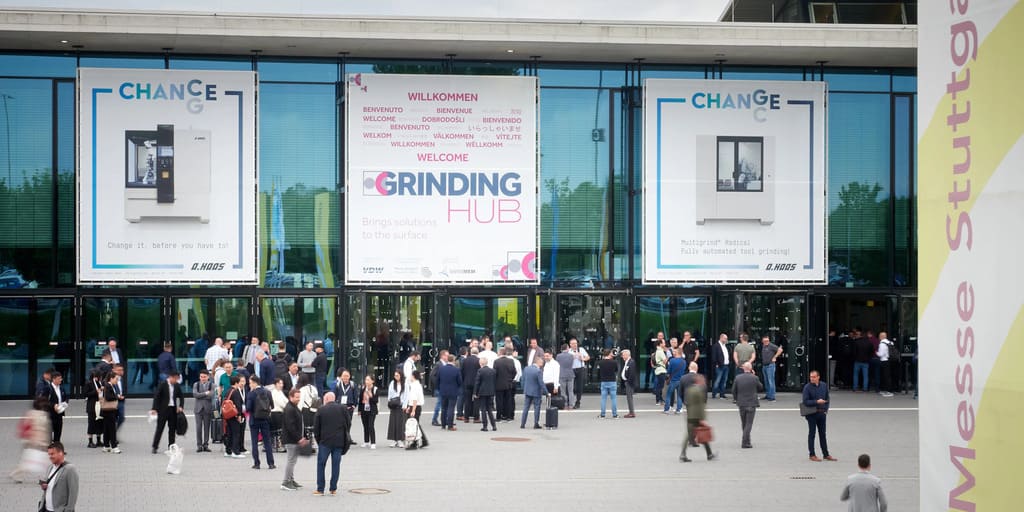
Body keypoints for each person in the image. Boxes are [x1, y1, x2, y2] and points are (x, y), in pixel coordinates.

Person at [313, 391, 351, 496]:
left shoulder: (321, 409)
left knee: (321, 464)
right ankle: (333, 488)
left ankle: (320, 489)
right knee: (336, 465)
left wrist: (319, 440)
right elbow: (348, 423)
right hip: (339, 441)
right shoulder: (343, 408)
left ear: (325, 399)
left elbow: (316, 428)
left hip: (325, 442)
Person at [10, 396, 51, 483]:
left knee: (28, 460)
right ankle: (44, 478)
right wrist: (46, 442)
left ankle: (16, 474)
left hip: (29, 440)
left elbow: (24, 426)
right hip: (36, 441)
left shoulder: (30, 413)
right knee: (40, 461)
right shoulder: (43, 415)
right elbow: (43, 430)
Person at [680, 374, 716, 462]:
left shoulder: (689, 389)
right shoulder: (699, 390)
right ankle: (709, 454)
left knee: (691, 435)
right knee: (701, 433)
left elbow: (686, 401)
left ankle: (684, 454)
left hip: (690, 415)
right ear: (699, 381)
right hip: (697, 416)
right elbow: (701, 405)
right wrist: (702, 418)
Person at [803, 370, 837, 462]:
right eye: (811, 377)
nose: (812, 379)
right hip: (811, 414)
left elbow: (827, 398)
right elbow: (805, 401)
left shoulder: (824, 385)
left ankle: (826, 454)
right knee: (812, 434)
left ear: (818, 377)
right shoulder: (807, 387)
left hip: (822, 413)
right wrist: (817, 401)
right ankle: (812, 454)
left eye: (814, 377)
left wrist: (826, 410)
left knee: (823, 434)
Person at [150, 370, 184, 454]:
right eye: (175, 378)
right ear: (171, 377)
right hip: (163, 410)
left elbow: (181, 396)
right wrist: (154, 408)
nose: (176, 380)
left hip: (173, 410)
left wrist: (181, 406)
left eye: (177, 379)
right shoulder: (163, 384)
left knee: (172, 429)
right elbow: (157, 396)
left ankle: (171, 446)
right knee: (160, 429)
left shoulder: (176, 385)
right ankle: (155, 446)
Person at [246, 376, 276, 470]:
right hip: (265, 419)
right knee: (267, 441)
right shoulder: (268, 392)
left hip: (254, 419)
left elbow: (248, 408)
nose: (250, 385)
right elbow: (272, 406)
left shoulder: (251, 394)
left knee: (254, 442)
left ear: (255, 383)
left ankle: (257, 463)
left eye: (250, 383)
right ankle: (271, 463)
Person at [38, 442, 78, 512]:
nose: (50, 456)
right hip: (46, 509)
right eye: (49, 454)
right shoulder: (50, 467)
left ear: (61, 453)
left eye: (52, 454)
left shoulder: (70, 469)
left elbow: (73, 493)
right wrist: (44, 486)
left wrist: (68, 510)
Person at [280, 388, 306, 491]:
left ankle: (291, 480)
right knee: (291, 461)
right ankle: (286, 482)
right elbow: (290, 426)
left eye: (299, 397)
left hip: (293, 438)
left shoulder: (293, 407)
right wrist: (299, 438)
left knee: (292, 461)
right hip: (291, 439)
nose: (298, 399)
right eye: (296, 397)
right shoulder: (290, 409)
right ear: (290, 397)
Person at [731, 362, 763, 449]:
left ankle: (747, 440)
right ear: (751, 368)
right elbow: (760, 387)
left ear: (743, 368)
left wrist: (736, 399)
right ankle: (745, 442)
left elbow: (733, 390)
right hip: (752, 403)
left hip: (741, 403)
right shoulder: (755, 378)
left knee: (744, 423)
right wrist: (755, 376)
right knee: (749, 424)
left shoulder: (738, 378)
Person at [520, 356, 549, 429]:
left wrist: (524, 388)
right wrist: (546, 392)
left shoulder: (526, 369)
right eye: (541, 362)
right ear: (538, 362)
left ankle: (522, 424)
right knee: (537, 408)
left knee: (526, 407)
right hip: (536, 392)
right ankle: (536, 423)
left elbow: (523, 379)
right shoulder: (538, 371)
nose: (542, 364)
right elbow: (541, 383)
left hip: (527, 391)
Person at [223, 375, 247, 459]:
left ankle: (228, 450)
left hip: (227, 415)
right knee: (236, 433)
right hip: (234, 415)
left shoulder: (228, 391)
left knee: (229, 433)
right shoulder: (236, 391)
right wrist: (239, 415)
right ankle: (236, 451)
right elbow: (238, 405)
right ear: (236, 383)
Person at [438, 353, 462, 431]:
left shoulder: (441, 369)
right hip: (453, 391)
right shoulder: (456, 370)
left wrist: (439, 388)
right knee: (451, 408)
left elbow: (438, 379)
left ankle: (443, 424)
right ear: (454, 360)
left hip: (443, 391)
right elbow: (460, 381)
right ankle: (450, 425)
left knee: (443, 408)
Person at [404, 370, 428, 449]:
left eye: (411, 375)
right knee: (416, 424)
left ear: (413, 376)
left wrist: (413, 410)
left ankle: (414, 442)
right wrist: (409, 406)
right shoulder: (417, 384)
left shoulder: (415, 386)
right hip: (415, 406)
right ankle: (423, 440)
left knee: (413, 425)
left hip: (415, 406)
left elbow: (414, 399)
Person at [474, 356, 498, 432]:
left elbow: (477, 383)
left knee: (483, 409)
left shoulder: (480, 371)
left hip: (482, 392)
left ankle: (485, 426)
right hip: (490, 392)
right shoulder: (493, 371)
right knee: (489, 409)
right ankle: (494, 425)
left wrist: (475, 393)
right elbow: (494, 381)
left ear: (480, 363)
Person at [193, 369, 215, 453]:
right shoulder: (196, 384)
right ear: (199, 377)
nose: (203, 378)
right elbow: (195, 395)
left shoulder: (212, 385)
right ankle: (199, 445)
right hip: (198, 409)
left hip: (207, 409)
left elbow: (211, 395)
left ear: (208, 377)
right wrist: (206, 393)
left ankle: (205, 445)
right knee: (198, 427)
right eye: (201, 377)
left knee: (207, 428)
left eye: (204, 377)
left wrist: (201, 395)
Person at [494, 347, 517, 422]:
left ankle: (499, 416)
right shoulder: (511, 361)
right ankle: (508, 416)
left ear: (500, 353)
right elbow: (514, 372)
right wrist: (510, 379)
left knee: (499, 401)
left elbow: (495, 373)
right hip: (508, 384)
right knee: (508, 401)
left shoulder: (496, 362)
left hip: (499, 384)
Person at [101, 372, 121, 454]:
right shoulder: (108, 386)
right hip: (109, 411)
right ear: (111, 378)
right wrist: (117, 396)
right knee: (112, 429)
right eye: (116, 379)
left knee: (107, 429)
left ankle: (106, 446)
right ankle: (114, 447)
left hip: (107, 411)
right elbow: (108, 397)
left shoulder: (109, 386)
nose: (117, 381)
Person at [386, 371, 407, 448]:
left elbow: (406, 395)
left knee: (400, 423)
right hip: (394, 405)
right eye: (395, 375)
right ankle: (394, 440)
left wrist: (405, 405)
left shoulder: (405, 384)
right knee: (393, 423)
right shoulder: (392, 383)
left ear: (401, 375)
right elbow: (390, 394)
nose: (396, 377)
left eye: (397, 375)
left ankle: (400, 440)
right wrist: (390, 402)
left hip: (401, 405)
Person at [357, 375, 379, 449]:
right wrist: (359, 410)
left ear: (372, 381)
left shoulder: (375, 389)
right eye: (366, 380)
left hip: (372, 410)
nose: (366, 381)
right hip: (364, 409)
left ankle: (373, 442)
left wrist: (370, 396)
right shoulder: (363, 388)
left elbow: (376, 401)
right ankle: (366, 441)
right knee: (365, 426)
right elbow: (360, 400)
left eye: (368, 380)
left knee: (370, 425)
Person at [459, 348, 480, 422]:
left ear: (470, 352)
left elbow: (461, 371)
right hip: (476, 383)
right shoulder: (479, 360)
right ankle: (476, 417)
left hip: (467, 382)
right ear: (478, 352)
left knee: (467, 400)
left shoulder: (465, 360)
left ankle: (466, 417)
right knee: (476, 400)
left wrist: (463, 380)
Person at [568, 338, 590, 409]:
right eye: (573, 344)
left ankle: (578, 401)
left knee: (579, 386)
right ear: (570, 345)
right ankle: (570, 401)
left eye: (575, 343)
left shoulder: (581, 349)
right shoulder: (568, 351)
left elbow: (588, 357)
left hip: (580, 369)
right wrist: (572, 357)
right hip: (572, 369)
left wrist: (582, 358)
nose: (575, 345)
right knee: (571, 386)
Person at [663, 349, 686, 414]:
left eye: (675, 352)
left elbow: (669, 371)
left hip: (673, 380)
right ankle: (678, 409)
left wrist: (668, 375)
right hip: (680, 380)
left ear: (678, 352)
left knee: (668, 395)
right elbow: (684, 370)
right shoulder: (683, 361)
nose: (673, 353)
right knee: (679, 395)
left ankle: (666, 409)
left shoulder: (672, 360)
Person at [84, 370, 103, 449]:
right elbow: (85, 394)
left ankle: (98, 440)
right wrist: (96, 391)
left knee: (99, 423)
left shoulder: (100, 383)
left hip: (99, 405)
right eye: (100, 376)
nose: (101, 378)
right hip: (92, 406)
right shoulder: (89, 383)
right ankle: (90, 441)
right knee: (91, 423)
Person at [46, 372, 67, 443]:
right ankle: (49, 446)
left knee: (58, 431)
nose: (61, 380)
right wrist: (53, 405)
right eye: (59, 379)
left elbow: (66, 397)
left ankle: (57, 445)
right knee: (49, 432)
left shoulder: (61, 388)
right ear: (54, 379)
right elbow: (45, 401)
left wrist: (65, 403)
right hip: (51, 413)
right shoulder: (48, 388)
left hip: (59, 412)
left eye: (61, 378)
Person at [597, 349, 619, 419]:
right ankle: (615, 415)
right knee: (613, 398)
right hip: (612, 381)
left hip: (604, 381)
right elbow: (616, 370)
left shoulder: (600, 362)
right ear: (609, 354)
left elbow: (598, 372)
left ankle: (602, 415)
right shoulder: (614, 362)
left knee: (603, 399)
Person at [760, 336, 783, 401]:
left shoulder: (771, 345)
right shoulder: (763, 346)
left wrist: (775, 357)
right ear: (762, 341)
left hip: (770, 365)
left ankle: (772, 396)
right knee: (766, 381)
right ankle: (768, 395)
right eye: (764, 341)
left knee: (771, 381)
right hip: (764, 365)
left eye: (767, 341)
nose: (766, 342)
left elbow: (780, 350)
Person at [711, 333, 731, 399]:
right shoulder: (716, 346)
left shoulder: (725, 346)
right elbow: (714, 356)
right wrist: (716, 364)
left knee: (724, 380)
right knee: (718, 380)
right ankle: (714, 394)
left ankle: (722, 394)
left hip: (726, 365)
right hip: (719, 365)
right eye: (725, 338)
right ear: (721, 338)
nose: (726, 340)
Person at [555, 344, 575, 409]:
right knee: (570, 391)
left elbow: (557, 364)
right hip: (570, 374)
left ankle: (565, 404)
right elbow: (572, 363)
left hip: (562, 374)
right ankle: (571, 405)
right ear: (567, 348)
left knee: (563, 391)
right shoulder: (571, 356)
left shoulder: (558, 356)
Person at [876, 332, 895, 397]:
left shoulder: (882, 344)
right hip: (890, 360)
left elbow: (881, 354)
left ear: (881, 336)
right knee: (888, 376)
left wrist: (876, 353)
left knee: (885, 376)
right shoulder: (891, 342)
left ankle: (888, 391)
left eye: (879, 336)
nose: (879, 337)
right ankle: (888, 390)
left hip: (884, 361)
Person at [619, 349, 638, 418]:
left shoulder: (631, 362)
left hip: (629, 383)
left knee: (629, 398)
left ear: (627, 355)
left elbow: (632, 374)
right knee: (629, 397)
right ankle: (631, 412)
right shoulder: (627, 361)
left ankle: (631, 412)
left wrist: (628, 382)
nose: (622, 356)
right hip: (627, 382)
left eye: (623, 355)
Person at [652, 338, 668, 404]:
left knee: (659, 385)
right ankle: (658, 400)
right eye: (663, 343)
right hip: (661, 370)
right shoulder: (660, 351)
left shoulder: (657, 351)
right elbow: (665, 361)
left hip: (658, 370)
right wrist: (668, 357)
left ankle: (659, 399)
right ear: (660, 344)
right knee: (660, 386)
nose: (665, 344)